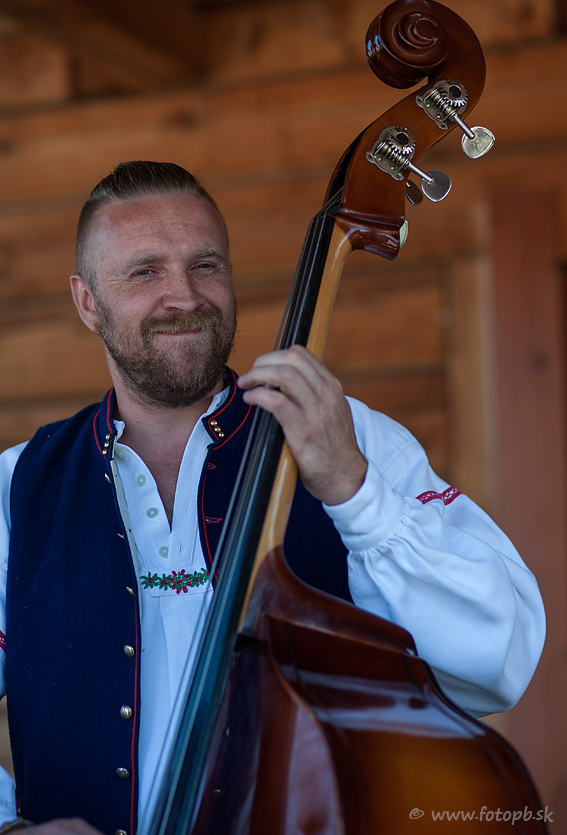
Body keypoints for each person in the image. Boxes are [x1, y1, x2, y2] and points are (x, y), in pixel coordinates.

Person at [0, 161, 545, 835]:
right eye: (145, 272)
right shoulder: (20, 486)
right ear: (87, 302)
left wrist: (354, 491)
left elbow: (499, 661)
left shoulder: (349, 437)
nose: (184, 296)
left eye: (205, 265)